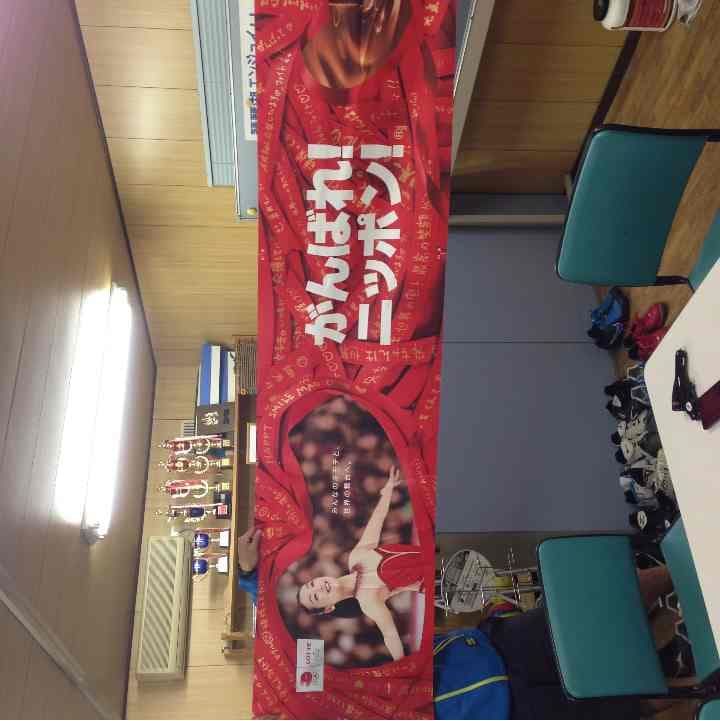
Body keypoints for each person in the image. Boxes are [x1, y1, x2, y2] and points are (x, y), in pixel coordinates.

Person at [295, 466, 422, 661]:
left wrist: (388, 489)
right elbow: (390, 635)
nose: (318, 587)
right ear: (328, 608)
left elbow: (377, 520)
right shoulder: (367, 602)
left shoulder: (355, 558)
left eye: (312, 584)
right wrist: (402, 665)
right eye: (315, 597)